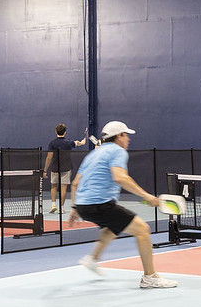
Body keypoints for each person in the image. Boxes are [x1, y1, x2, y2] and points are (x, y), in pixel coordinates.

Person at [68, 120, 178, 288]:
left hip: (84, 207)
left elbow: (75, 183)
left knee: (113, 227)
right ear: (118, 136)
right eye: (126, 135)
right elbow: (120, 178)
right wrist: (147, 196)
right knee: (142, 230)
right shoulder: (118, 151)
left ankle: (92, 259)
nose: (128, 139)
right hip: (100, 204)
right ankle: (150, 277)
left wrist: (75, 208)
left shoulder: (92, 154)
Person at [43, 123, 86, 213]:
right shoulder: (69, 142)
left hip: (55, 168)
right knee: (63, 187)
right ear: (65, 132)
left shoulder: (52, 143)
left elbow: (49, 157)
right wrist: (83, 142)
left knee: (53, 186)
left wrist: (45, 170)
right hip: (66, 168)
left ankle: (53, 205)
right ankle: (61, 208)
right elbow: (78, 143)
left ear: (56, 131)